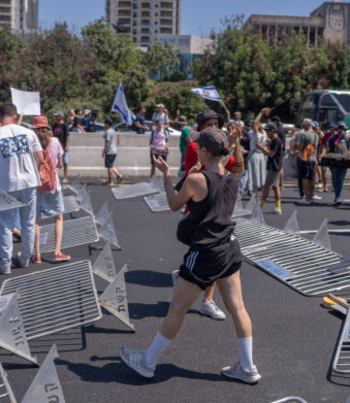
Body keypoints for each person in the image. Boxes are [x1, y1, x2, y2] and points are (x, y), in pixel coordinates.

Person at [120, 128, 260, 384]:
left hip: (206, 252)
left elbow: (174, 204)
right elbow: (227, 177)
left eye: (198, 148)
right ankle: (248, 367)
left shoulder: (196, 180)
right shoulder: (231, 177)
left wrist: (166, 176)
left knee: (178, 308)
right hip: (229, 247)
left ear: (204, 151)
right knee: (237, 307)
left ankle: (148, 362)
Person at [182, 109, 244, 321]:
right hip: (201, 210)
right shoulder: (194, 147)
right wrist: (231, 146)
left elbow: (238, 169)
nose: (214, 128)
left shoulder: (218, 150)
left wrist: (235, 146)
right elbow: (221, 170)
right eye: (209, 124)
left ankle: (206, 299)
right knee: (208, 258)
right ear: (199, 128)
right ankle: (202, 299)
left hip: (215, 210)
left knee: (211, 258)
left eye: (217, 124)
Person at [0, 103, 43, 275]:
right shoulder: (28, 132)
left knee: (6, 225)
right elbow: (39, 157)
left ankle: (5, 263)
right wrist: (32, 172)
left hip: (6, 184)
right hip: (29, 183)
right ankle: (25, 258)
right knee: (28, 222)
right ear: (15, 116)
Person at [30, 116, 71, 263]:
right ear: (47, 128)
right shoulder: (55, 142)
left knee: (36, 221)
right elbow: (60, 165)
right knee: (58, 218)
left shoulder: (31, 143)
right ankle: (57, 251)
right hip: (52, 186)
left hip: (36, 186)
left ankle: (37, 255)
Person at [258, 123, 284, 214]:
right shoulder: (277, 140)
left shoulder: (276, 141)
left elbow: (271, 154)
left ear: (273, 130)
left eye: (268, 131)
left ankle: (260, 207)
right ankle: (278, 207)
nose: (267, 132)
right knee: (275, 187)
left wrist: (261, 148)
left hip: (273, 166)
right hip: (276, 166)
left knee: (266, 186)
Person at [295, 118, 321, 204]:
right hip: (313, 159)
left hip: (305, 159)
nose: (303, 126)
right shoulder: (316, 135)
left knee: (304, 178)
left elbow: (301, 147)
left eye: (303, 125)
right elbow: (317, 147)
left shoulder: (304, 135)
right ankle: (311, 195)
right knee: (312, 178)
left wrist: (297, 146)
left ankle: (306, 197)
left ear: (307, 125)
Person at [326, 122, 350, 206]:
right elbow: (327, 147)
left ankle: (338, 197)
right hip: (334, 161)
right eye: (340, 128)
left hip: (344, 161)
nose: (342, 130)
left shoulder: (347, 138)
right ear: (337, 129)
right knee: (335, 179)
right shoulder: (332, 138)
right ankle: (337, 196)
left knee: (340, 180)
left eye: (343, 129)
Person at [248, 110, 267, 198]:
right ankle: (262, 195)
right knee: (262, 174)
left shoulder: (257, 135)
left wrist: (261, 113)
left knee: (254, 174)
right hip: (262, 155)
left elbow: (256, 122)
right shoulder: (265, 134)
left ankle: (255, 195)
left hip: (255, 154)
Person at [102, 118, 123, 185]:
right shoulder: (113, 131)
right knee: (110, 165)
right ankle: (111, 179)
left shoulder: (108, 132)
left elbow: (107, 142)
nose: (104, 125)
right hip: (114, 150)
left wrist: (104, 151)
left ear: (107, 124)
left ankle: (114, 177)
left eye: (105, 123)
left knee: (109, 166)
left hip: (110, 151)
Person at [51, 112, 70, 182]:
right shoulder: (54, 125)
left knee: (65, 161)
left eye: (57, 116)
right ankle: (54, 176)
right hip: (55, 146)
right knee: (54, 161)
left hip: (63, 145)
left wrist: (67, 146)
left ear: (60, 117)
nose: (55, 117)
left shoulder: (64, 125)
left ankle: (65, 176)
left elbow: (67, 136)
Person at [270, 116, 286, 190]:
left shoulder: (277, 130)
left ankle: (277, 184)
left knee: (278, 168)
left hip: (277, 150)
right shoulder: (282, 129)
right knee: (280, 167)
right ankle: (280, 184)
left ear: (275, 121)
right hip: (282, 150)